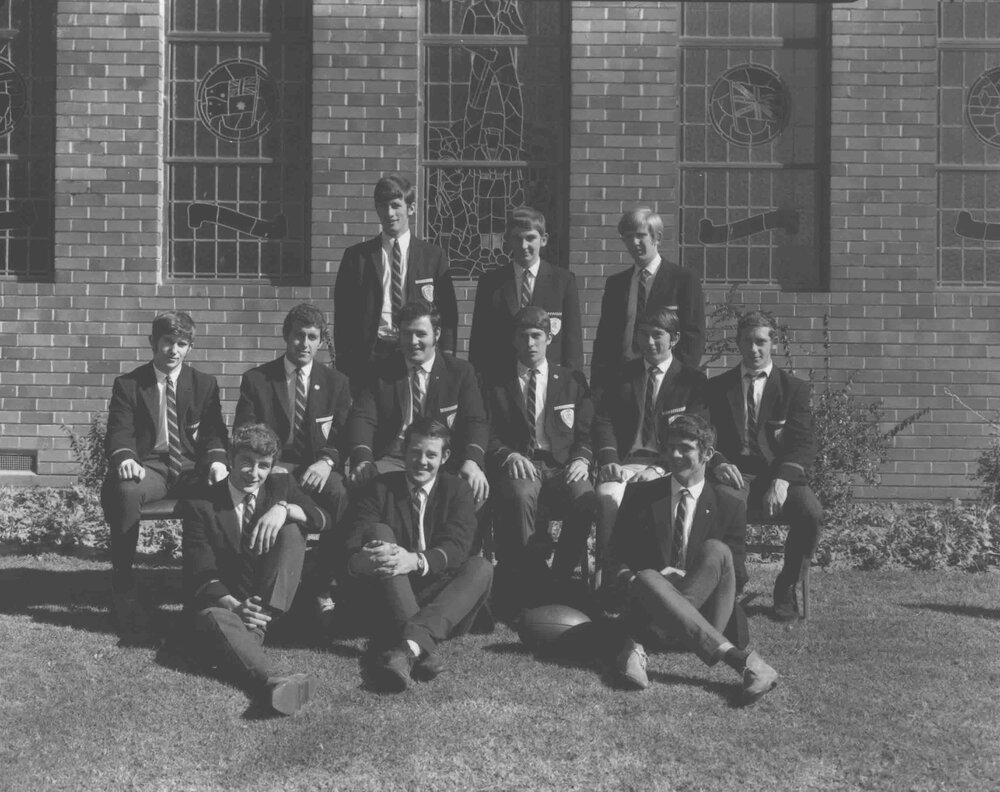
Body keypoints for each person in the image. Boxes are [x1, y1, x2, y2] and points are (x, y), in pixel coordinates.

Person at [603, 414, 778, 705]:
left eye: (685, 448)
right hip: (651, 602)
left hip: (708, 610)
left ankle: (639, 645)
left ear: (708, 454)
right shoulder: (640, 496)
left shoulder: (729, 505)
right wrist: (647, 582)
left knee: (716, 550)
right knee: (647, 577)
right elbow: (614, 558)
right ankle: (740, 661)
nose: (674, 455)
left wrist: (685, 581)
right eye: (670, 447)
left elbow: (737, 574)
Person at [182, 423, 329, 716]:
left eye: (263, 466)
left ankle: (247, 637)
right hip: (226, 604)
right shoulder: (201, 503)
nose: (254, 473)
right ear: (231, 460)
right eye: (246, 462)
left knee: (292, 530)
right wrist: (235, 606)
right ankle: (271, 682)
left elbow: (322, 519)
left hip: (270, 600)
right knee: (214, 618)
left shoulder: (280, 487)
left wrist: (284, 509)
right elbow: (201, 570)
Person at [342, 417, 493, 693]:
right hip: (390, 594)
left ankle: (407, 646)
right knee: (378, 531)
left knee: (481, 567)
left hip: (443, 600)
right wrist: (360, 561)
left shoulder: (457, 490)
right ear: (403, 451)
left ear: (445, 457)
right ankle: (417, 647)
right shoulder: (380, 488)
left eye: (431, 455)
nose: (421, 461)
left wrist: (414, 560)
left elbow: (457, 549)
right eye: (415, 452)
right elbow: (353, 543)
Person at [101, 310, 228, 634]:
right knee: (127, 491)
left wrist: (215, 461)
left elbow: (215, 432)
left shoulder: (203, 384)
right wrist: (126, 458)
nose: (174, 350)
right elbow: (119, 431)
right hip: (150, 466)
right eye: (167, 342)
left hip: (190, 467)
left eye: (181, 343)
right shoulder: (129, 384)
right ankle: (124, 583)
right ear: (153, 343)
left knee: (221, 492)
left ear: (190, 347)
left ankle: (208, 584)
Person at [706, 310, 823, 621]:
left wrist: (783, 480)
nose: (754, 349)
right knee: (725, 506)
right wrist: (717, 462)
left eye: (760, 342)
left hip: (778, 474)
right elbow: (704, 434)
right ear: (738, 344)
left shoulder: (793, 389)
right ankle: (736, 582)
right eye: (747, 342)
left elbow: (803, 442)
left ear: (773, 343)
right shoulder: (718, 387)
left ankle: (786, 587)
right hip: (736, 472)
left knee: (811, 512)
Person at [482, 307, 597, 614]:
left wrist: (582, 460)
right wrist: (508, 455)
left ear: (549, 338)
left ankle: (558, 577)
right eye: (524, 336)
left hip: (562, 465)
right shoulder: (495, 382)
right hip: (522, 463)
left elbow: (586, 433)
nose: (530, 343)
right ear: (514, 340)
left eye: (536, 336)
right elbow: (485, 432)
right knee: (519, 496)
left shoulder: (571, 380)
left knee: (586, 499)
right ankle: (529, 579)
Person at [591, 306, 708, 587]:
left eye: (657, 335)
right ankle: (612, 577)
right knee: (608, 495)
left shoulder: (692, 381)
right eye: (643, 334)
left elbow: (696, 433)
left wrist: (660, 468)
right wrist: (609, 460)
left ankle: (658, 577)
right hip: (625, 461)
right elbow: (603, 421)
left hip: (671, 466)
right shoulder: (621, 375)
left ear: (675, 338)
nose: (649, 342)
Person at [345, 298, 490, 506]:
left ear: (436, 334)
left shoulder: (460, 373)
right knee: (367, 491)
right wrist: (363, 458)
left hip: (442, 461)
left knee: (472, 488)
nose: (413, 341)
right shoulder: (379, 371)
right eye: (406, 333)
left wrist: (473, 461)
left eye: (421, 334)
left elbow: (475, 421)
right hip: (393, 459)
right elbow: (362, 418)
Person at [333, 173, 458, 387]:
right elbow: (344, 315)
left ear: (410, 208)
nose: (389, 213)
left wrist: (445, 356)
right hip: (372, 355)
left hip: (418, 352)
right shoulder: (357, 257)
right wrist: (345, 362)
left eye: (395, 205)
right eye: (383, 206)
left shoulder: (432, 256)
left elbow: (448, 312)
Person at [234, 303, 351, 524]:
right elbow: (244, 430)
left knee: (339, 493)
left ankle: (331, 555)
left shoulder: (336, 383)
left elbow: (342, 434)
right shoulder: (257, 380)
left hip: (315, 466)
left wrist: (326, 462)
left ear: (320, 342)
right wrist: (266, 462)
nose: (305, 344)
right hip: (271, 464)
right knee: (274, 492)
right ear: (286, 335)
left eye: (312, 337)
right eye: (299, 335)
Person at [590, 207, 705, 395]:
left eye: (640, 235)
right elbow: (605, 338)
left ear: (657, 237)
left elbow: (694, 335)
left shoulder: (683, 279)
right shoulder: (616, 284)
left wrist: (678, 378)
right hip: (621, 379)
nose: (634, 242)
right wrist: (598, 383)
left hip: (665, 378)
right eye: (628, 237)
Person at [469, 206, 583, 386]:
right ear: (508, 241)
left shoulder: (563, 281)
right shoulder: (491, 283)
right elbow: (479, 341)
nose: (524, 246)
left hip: (548, 380)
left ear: (543, 240)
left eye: (530, 238)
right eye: (517, 238)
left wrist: (572, 385)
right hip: (501, 382)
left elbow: (572, 342)